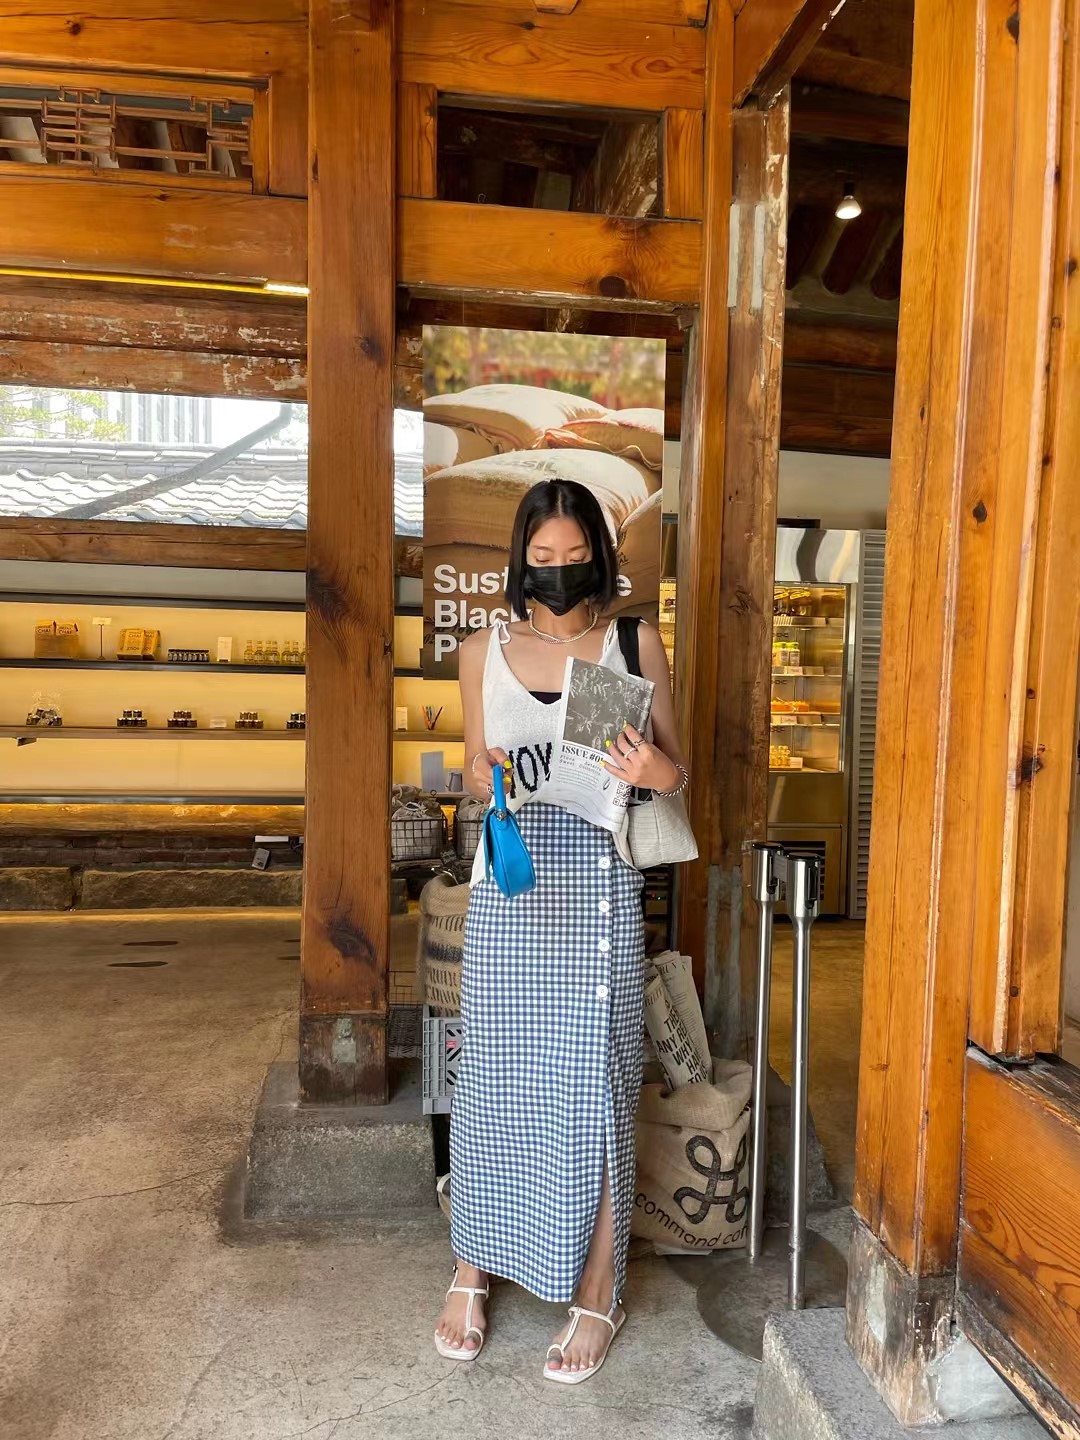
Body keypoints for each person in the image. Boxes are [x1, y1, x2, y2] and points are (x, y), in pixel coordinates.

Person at [433, 478, 689, 1383]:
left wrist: (652, 767)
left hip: (601, 891)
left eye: (574, 555)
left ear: (600, 558)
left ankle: (598, 1288)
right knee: (493, 1082)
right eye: (541, 557)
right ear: (520, 560)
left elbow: (677, 771)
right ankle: (471, 1267)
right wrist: (483, 774)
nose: (557, 569)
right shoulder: (483, 649)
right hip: (512, 891)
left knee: (596, 1087)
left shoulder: (633, 641)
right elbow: (471, 770)